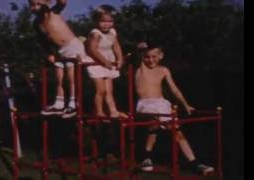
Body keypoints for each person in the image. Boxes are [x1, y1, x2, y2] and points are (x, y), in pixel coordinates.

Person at [135, 43, 214, 175]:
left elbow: (174, 89)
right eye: (147, 57)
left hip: (161, 104)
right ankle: (146, 157)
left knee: (176, 131)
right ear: (143, 57)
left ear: (161, 56)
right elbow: (136, 56)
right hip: (145, 104)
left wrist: (185, 104)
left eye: (154, 56)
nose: (150, 60)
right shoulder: (141, 68)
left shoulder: (163, 70)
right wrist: (139, 48)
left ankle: (195, 164)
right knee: (156, 122)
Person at [28, 0, 88, 118]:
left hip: (72, 46)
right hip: (59, 51)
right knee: (59, 78)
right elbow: (43, 41)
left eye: (38, 4)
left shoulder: (53, 12)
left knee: (71, 77)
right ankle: (59, 103)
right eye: (32, 5)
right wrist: (49, 53)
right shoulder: (37, 23)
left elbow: (63, 2)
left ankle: (73, 104)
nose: (35, 7)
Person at [86, 4, 127, 118]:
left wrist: (120, 58)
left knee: (109, 89)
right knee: (101, 89)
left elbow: (116, 46)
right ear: (97, 21)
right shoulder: (96, 33)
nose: (106, 24)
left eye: (109, 21)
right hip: (96, 61)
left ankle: (113, 110)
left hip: (107, 62)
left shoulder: (112, 32)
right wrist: (104, 61)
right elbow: (92, 49)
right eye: (102, 21)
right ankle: (99, 111)